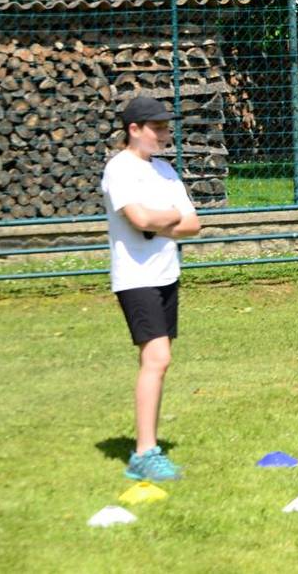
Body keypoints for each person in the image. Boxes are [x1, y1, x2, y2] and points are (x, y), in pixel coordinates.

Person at [102, 95, 201, 480]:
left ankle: (148, 446)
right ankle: (144, 453)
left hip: (166, 274)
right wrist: (166, 217)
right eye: (156, 127)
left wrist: (164, 218)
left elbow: (192, 224)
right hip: (136, 278)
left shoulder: (165, 170)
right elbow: (137, 217)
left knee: (157, 361)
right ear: (134, 130)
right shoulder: (120, 169)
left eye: (165, 126)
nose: (164, 133)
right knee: (157, 359)